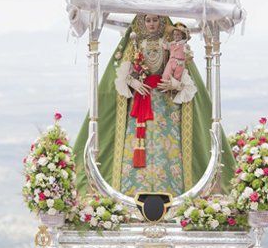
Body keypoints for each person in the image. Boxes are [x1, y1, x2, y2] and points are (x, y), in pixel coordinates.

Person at [73, 13, 235, 198]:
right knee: (135, 147)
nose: (151, 24)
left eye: (155, 20)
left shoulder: (171, 46)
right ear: (142, 23)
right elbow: (123, 73)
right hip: (140, 102)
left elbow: (185, 78)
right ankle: (130, 196)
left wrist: (175, 84)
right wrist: (133, 83)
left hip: (167, 105)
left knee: (168, 151)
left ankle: (173, 195)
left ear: (162, 22)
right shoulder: (135, 44)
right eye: (148, 20)